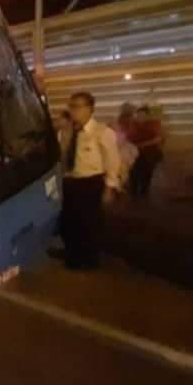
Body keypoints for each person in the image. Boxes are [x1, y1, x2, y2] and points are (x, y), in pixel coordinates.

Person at [60, 92, 121, 270]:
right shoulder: (66, 131)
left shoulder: (103, 132)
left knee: (89, 223)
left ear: (90, 109)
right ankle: (72, 255)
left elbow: (112, 160)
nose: (73, 111)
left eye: (78, 106)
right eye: (71, 107)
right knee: (69, 222)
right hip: (70, 182)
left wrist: (110, 188)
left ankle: (89, 259)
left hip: (91, 183)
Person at [128, 105, 164, 198]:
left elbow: (158, 139)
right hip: (133, 153)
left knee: (146, 174)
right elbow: (127, 137)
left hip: (149, 154)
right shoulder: (133, 124)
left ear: (147, 115)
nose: (140, 117)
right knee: (133, 174)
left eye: (143, 115)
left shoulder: (154, 124)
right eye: (139, 115)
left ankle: (144, 193)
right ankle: (133, 194)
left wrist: (142, 145)